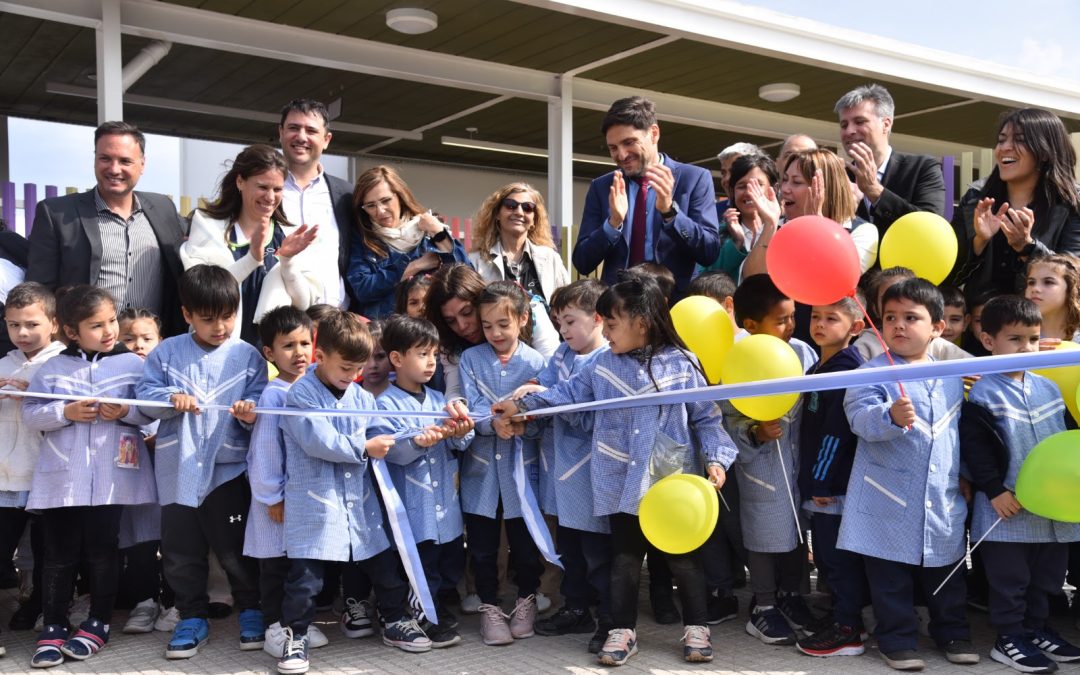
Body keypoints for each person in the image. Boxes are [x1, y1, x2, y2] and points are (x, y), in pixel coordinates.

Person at [494, 274, 738, 667]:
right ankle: (622, 630)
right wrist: (520, 407)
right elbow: (566, 398)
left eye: (611, 323)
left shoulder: (682, 363)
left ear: (640, 322)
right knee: (623, 559)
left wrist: (715, 459)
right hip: (620, 482)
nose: (605, 331)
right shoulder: (601, 366)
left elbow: (707, 419)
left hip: (670, 482)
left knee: (684, 559)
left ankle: (697, 626)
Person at [276, 310, 432, 675]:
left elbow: (385, 435)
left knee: (384, 567)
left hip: (360, 504)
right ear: (321, 357)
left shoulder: (362, 396)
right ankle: (295, 636)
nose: (352, 375)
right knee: (305, 579)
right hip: (316, 503)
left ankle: (395, 620)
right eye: (345, 367)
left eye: (358, 368)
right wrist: (364, 447)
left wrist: (418, 440)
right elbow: (318, 440)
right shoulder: (300, 393)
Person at [840, 279, 977, 671]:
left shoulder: (953, 374)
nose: (898, 325)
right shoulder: (869, 371)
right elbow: (859, 420)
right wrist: (888, 417)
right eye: (890, 317)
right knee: (889, 576)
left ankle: (952, 631)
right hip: (888, 493)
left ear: (938, 327)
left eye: (911, 318)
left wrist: (965, 473)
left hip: (942, 491)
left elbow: (960, 430)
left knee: (946, 569)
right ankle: (896, 638)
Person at [136, 264, 268, 660]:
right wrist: (168, 399)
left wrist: (250, 413)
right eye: (208, 319)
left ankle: (252, 609)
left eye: (228, 316)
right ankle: (191, 615)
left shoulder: (248, 356)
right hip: (177, 470)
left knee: (236, 549)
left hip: (229, 471)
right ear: (187, 314)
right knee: (180, 549)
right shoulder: (166, 352)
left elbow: (262, 404)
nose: (220, 327)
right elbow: (144, 400)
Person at [23, 286, 157, 667]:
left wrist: (126, 412)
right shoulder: (50, 369)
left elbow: (151, 412)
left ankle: (98, 622)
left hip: (113, 478)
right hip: (62, 481)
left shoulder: (134, 365)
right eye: (95, 325)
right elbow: (31, 414)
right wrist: (66, 413)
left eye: (111, 320)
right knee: (58, 555)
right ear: (70, 330)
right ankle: (53, 626)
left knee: (103, 550)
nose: (109, 330)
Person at [960, 295, 1080, 673]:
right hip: (1006, 509)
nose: (1025, 347)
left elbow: (1067, 438)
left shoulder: (1048, 387)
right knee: (1010, 580)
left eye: (1032, 338)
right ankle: (1009, 637)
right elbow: (976, 450)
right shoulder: (982, 392)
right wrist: (994, 489)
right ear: (988, 340)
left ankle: (1037, 629)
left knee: (1047, 577)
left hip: (1051, 509)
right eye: (1015, 339)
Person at [720, 275, 817, 647]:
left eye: (793, 317)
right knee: (763, 536)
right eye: (782, 320)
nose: (791, 326)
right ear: (750, 325)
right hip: (760, 464)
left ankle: (792, 597)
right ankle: (762, 606)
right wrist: (756, 432)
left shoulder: (803, 353)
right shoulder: (737, 360)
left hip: (795, 458)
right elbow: (729, 417)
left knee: (795, 532)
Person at [516, 280, 612, 653]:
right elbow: (545, 387)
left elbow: (587, 415)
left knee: (598, 552)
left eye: (570, 321)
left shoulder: (606, 359)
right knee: (569, 548)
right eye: (559, 322)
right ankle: (576, 607)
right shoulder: (562, 354)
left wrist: (542, 399)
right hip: (559, 471)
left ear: (599, 318)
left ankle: (608, 618)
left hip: (592, 475)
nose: (564, 330)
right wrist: (530, 394)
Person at [371, 315, 475, 648]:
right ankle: (424, 617)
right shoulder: (382, 404)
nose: (431, 362)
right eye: (421, 354)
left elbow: (460, 446)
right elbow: (390, 452)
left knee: (449, 561)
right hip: (414, 508)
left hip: (446, 503)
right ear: (397, 359)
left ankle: (435, 609)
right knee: (423, 564)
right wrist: (418, 442)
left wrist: (461, 432)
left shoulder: (438, 399)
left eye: (434, 354)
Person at [26, 121, 187, 336]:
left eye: (125, 161)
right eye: (105, 158)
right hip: (87, 353)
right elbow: (40, 291)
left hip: (150, 349)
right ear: (95, 160)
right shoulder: (57, 214)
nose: (114, 169)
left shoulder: (163, 209)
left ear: (142, 164)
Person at [456, 281, 546, 646]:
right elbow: (471, 405)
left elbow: (546, 410)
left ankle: (527, 599)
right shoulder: (470, 359)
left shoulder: (538, 362)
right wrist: (489, 423)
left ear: (523, 319)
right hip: (481, 469)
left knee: (525, 543)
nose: (495, 333)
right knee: (482, 544)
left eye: (503, 325)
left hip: (522, 467)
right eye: (487, 325)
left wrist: (526, 422)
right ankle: (490, 607)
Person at [241, 307, 330, 658]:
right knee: (275, 566)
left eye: (305, 343)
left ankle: (298, 626)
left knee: (299, 566)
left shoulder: (313, 387)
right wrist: (272, 497)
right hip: (277, 503)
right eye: (288, 345)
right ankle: (276, 628)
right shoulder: (273, 394)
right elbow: (265, 452)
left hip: (304, 498)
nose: (300, 353)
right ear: (269, 353)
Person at [572, 96, 721, 295]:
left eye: (629, 142)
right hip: (619, 309)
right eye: (613, 148)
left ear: (654, 133)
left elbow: (709, 252)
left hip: (673, 307)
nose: (622, 155)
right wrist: (613, 223)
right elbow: (582, 262)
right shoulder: (602, 187)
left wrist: (670, 212)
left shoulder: (694, 179)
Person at [181, 144, 320, 345]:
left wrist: (287, 262)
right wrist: (252, 259)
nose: (270, 197)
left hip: (271, 357)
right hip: (216, 351)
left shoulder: (289, 234)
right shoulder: (207, 225)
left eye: (278, 189)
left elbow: (304, 301)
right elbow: (204, 293)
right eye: (262, 187)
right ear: (240, 181)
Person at [794, 295, 868, 658]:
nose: (820, 324)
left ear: (855, 328)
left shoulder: (847, 370)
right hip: (819, 484)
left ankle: (849, 629)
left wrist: (821, 483)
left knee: (838, 562)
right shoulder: (819, 368)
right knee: (825, 558)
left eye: (831, 318)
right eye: (816, 317)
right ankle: (841, 617)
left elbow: (835, 435)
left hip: (832, 488)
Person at [951, 108, 1080, 298]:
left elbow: (1073, 277)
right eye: (1001, 140)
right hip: (983, 323)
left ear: (1045, 152)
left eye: (1019, 140)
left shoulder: (1072, 203)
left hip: (1043, 325)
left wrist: (1027, 247)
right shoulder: (975, 198)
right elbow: (950, 276)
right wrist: (979, 242)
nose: (1004, 148)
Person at [0, 283, 63, 655]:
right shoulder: (3, 363)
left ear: (54, 324)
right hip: (6, 478)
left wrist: (36, 393)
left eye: (31, 324)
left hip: (48, 477)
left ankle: (42, 609)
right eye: (13, 325)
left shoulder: (62, 364)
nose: (22, 333)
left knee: (48, 552)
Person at [346, 166, 468, 319]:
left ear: (400, 196)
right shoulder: (363, 240)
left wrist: (439, 233)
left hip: (432, 332)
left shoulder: (427, 230)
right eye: (371, 205)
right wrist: (414, 266)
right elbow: (363, 289)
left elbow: (465, 278)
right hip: (386, 333)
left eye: (386, 200)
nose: (380, 211)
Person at [114, 308, 171, 635]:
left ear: (160, 341)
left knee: (175, 539)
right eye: (129, 338)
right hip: (133, 469)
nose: (139, 345)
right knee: (139, 537)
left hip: (168, 465)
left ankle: (175, 602)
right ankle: (144, 601)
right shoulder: (116, 373)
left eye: (147, 338)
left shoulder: (169, 372)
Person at [425, 264, 559, 399]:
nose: (462, 326)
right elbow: (455, 388)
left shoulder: (531, 311)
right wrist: (457, 404)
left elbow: (553, 370)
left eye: (467, 312)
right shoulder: (449, 339)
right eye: (450, 321)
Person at [745, 149, 878, 277]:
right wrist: (770, 225)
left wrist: (815, 226)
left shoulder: (863, 231)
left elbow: (836, 275)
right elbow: (750, 280)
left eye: (796, 182)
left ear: (825, 188)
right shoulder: (773, 227)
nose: (785, 189)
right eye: (785, 179)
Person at [835, 84, 945, 233]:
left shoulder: (922, 168)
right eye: (844, 125)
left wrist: (874, 190)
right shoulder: (838, 176)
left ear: (886, 125)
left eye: (860, 122)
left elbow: (930, 228)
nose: (849, 131)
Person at [278, 98, 356, 309]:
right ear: (280, 133)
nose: (301, 137)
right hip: (280, 323)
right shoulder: (264, 190)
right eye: (293, 128)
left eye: (311, 131)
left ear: (326, 139)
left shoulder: (346, 195)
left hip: (335, 320)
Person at [468, 183, 570, 306]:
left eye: (527, 207)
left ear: (534, 220)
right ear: (497, 214)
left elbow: (567, 304)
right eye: (511, 205)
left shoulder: (551, 259)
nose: (519, 212)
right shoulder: (476, 261)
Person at [1024, 254, 1080, 343]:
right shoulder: (1014, 333)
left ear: (1073, 289)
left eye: (1048, 282)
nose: (1035, 289)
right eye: (1031, 282)